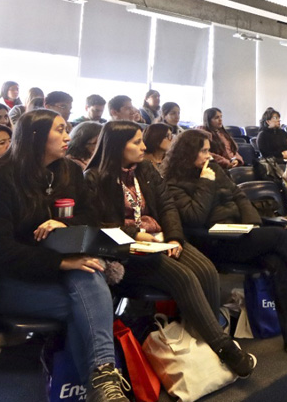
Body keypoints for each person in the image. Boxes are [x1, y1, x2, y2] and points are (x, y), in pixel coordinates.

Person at [0, 110, 132, 401]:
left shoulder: (69, 171)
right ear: (36, 136)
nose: (68, 136)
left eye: (67, 129)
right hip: (5, 279)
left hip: (58, 276)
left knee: (87, 275)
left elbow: (90, 217)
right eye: (60, 130)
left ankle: (100, 384)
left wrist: (63, 223)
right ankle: (100, 383)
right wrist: (60, 262)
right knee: (88, 306)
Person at [163, 129, 287, 362]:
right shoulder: (174, 183)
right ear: (187, 153)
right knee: (278, 237)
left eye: (208, 150)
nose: (208, 156)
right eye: (203, 151)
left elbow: (240, 197)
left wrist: (252, 225)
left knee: (277, 262)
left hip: (241, 236)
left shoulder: (214, 169)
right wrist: (205, 182)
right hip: (214, 243)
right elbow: (194, 217)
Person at [84, 122, 255, 377]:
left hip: (160, 237)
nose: (143, 146)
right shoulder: (95, 177)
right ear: (117, 146)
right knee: (183, 277)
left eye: (142, 140)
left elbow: (167, 207)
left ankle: (201, 337)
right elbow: (99, 226)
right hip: (126, 249)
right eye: (136, 142)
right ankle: (222, 346)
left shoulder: (145, 169)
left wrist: (175, 237)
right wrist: (137, 234)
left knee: (206, 269)